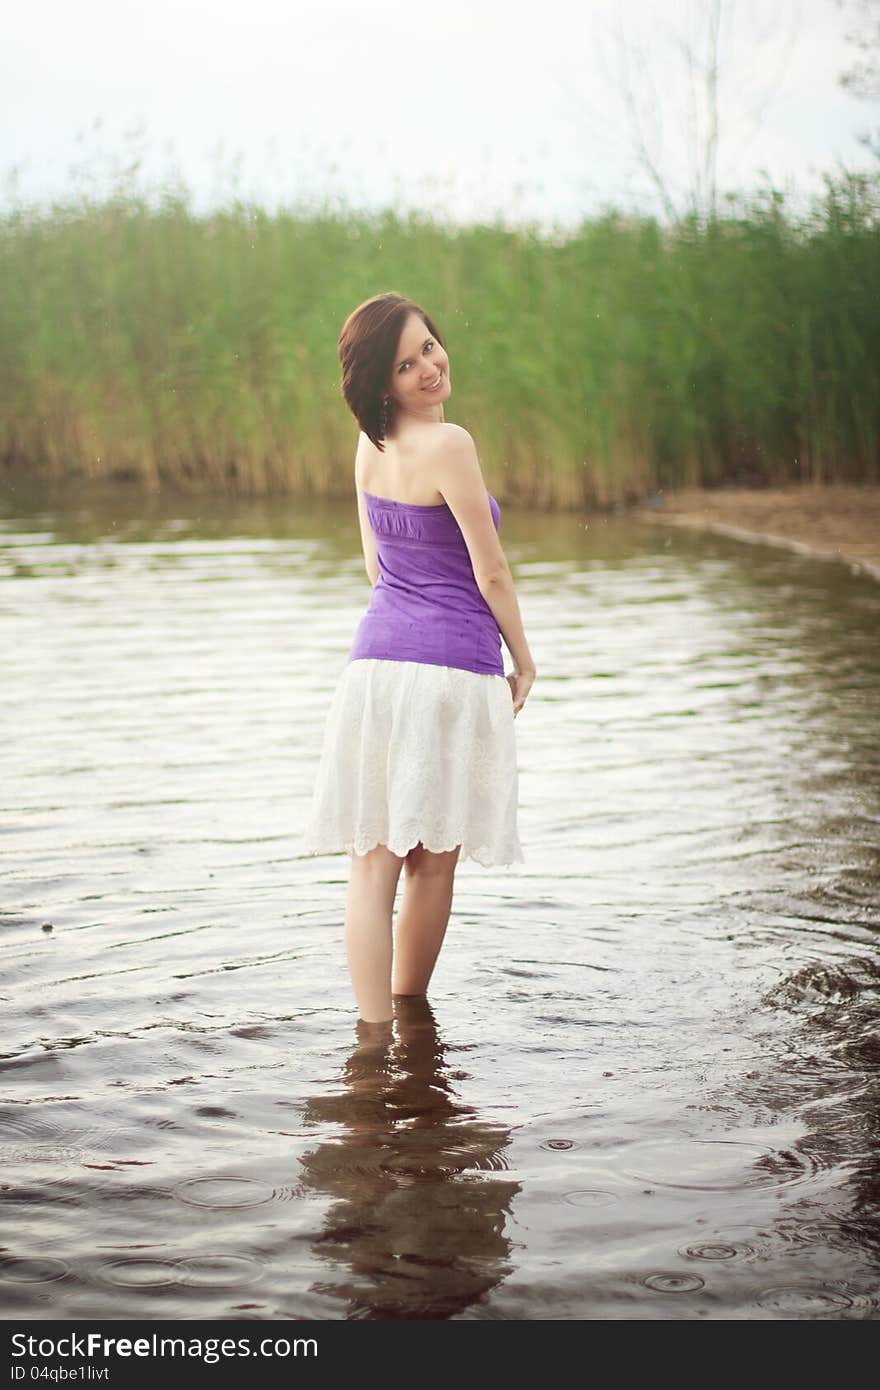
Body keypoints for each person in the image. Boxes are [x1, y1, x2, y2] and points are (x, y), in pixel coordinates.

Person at [302, 291, 536, 1024]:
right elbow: (491, 571)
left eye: (429, 346)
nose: (430, 367)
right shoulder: (451, 444)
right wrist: (524, 662)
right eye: (407, 364)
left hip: (371, 670)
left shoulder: (368, 446)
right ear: (381, 382)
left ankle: (372, 1048)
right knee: (432, 862)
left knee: (372, 868)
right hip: (450, 670)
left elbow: (376, 569)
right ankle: (409, 1021)